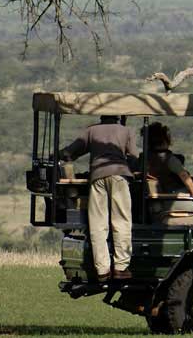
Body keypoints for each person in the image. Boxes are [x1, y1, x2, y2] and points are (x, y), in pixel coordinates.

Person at [54, 115, 137, 281]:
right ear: (118, 117)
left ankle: (103, 270)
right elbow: (134, 157)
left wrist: (55, 154)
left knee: (98, 224)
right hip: (120, 176)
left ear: (102, 116)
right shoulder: (126, 131)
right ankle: (121, 267)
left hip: (97, 177)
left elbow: (70, 152)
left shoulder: (91, 130)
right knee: (121, 221)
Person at [142, 123, 193, 225]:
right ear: (164, 139)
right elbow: (184, 175)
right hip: (169, 199)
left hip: (157, 200)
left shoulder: (145, 157)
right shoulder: (168, 159)